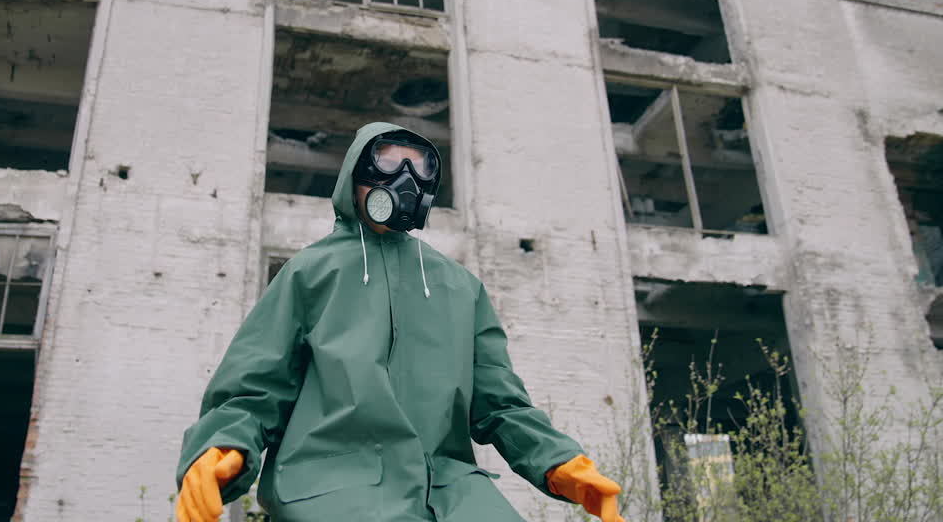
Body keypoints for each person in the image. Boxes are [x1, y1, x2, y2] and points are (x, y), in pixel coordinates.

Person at [175, 122, 624, 522]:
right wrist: (222, 445)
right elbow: (256, 387)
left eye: (419, 169)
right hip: (330, 488)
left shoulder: (460, 287)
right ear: (354, 177)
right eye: (388, 164)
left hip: (450, 492)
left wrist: (560, 461)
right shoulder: (311, 273)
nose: (404, 182)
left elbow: (501, 403)